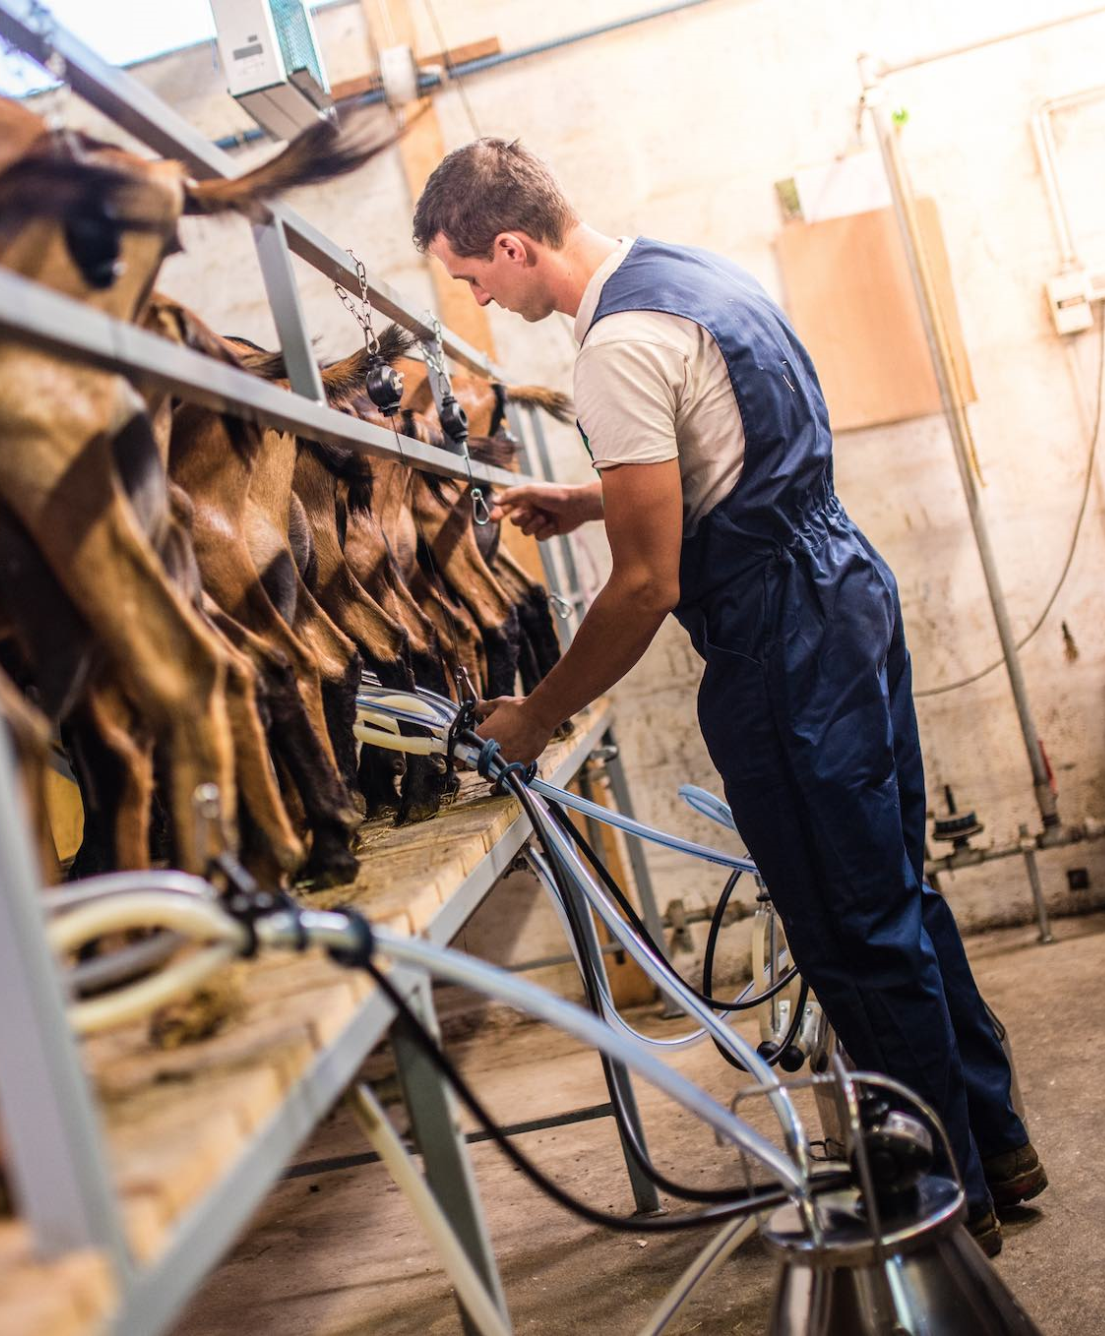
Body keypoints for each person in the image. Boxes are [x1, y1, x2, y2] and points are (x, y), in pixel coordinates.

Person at [410, 139, 1044, 1254]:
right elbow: (730, 457)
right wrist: (594, 495)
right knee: (898, 891)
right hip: (843, 586)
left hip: (779, 639)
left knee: (849, 925)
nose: (482, 300)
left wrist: (537, 712)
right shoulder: (686, 273)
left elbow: (651, 583)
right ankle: (995, 1143)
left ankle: (944, 1203)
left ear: (512, 245)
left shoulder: (613, 348)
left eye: (474, 277)